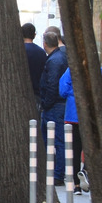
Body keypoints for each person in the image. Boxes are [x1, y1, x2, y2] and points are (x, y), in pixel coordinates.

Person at [59, 66, 102, 194]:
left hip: (73, 115)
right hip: (93, 116)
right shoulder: (99, 70)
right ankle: (85, 170)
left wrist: (74, 95)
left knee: (75, 149)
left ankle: (77, 186)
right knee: (93, 147)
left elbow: (62, 90)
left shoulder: (71, 69)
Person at [39, 31, 68, 185]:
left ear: (45, 43)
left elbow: (52, 84)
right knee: (54, 140)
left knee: (57, 140)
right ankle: (54, 171)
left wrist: (46, 103)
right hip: (55, 104)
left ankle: (57, 174)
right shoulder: (58, 57)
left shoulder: (55, 60)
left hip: (55, 105)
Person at [22, 23, 47, 101]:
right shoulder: (41, 52)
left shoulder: (18, 51)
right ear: (34, 35)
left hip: (21, 91)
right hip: (37, 92)